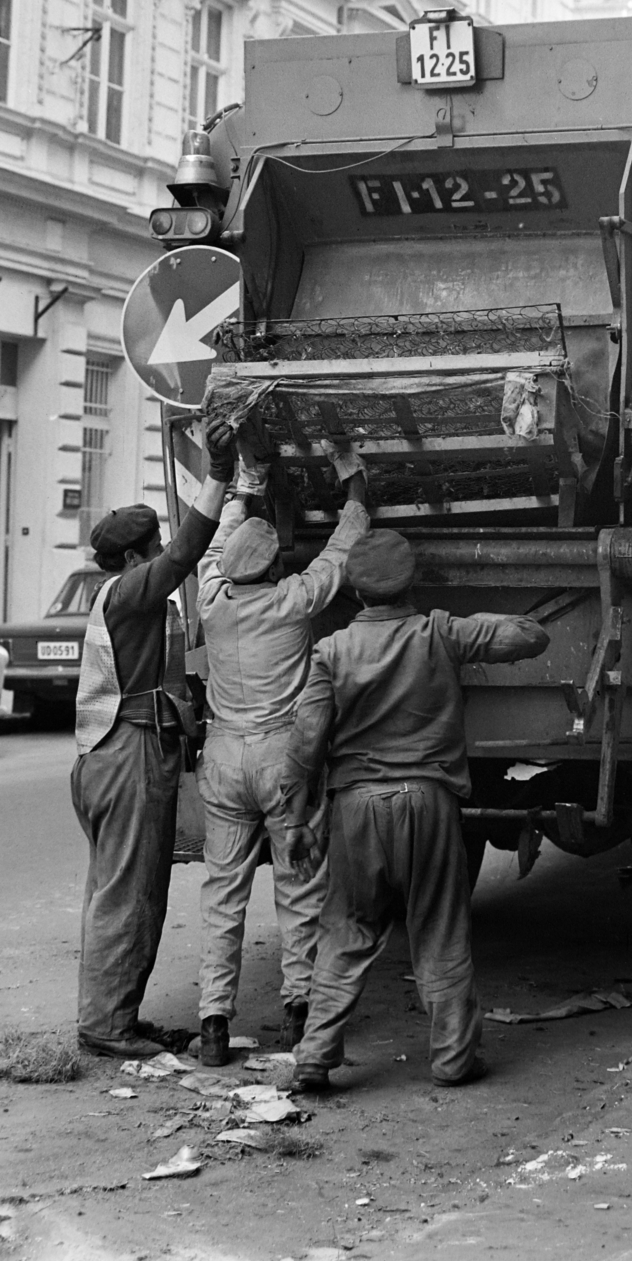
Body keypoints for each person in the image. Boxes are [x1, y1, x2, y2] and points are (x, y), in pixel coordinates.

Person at [282, 531, 550, 1093]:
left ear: (354, 590)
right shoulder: (438, 632)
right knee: (439, 931)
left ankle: (315, 1055)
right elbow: (528, 637)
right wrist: (481, 627)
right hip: (429, 805)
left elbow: (305, 744)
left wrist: (294, 821)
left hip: (355, 809)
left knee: (349, 928)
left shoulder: (331, 652)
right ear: (409, 584)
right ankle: (453, 1059)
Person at [193, 447, 372, 1067]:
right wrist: (353, 491)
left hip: (221, 756)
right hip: (281, 759)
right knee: (299, 887)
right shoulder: (292, 600)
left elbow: (212, 546)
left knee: (222, 894)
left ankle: (214, 1024)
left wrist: (243, 489)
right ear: (274, 566)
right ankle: (296, 1015)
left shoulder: (211, 600)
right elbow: (340, 554)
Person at [70, 420, 236, 1058]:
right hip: (128, 756)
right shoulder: (131, 593)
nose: (163, 552)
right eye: (156, 547)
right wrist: (218, 476)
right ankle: (105, 1028)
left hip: (114, 755)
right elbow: (184, 555)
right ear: (136, 558)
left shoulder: (118, 599)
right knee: (129, 895)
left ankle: (113, 1017)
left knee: (123, 890)